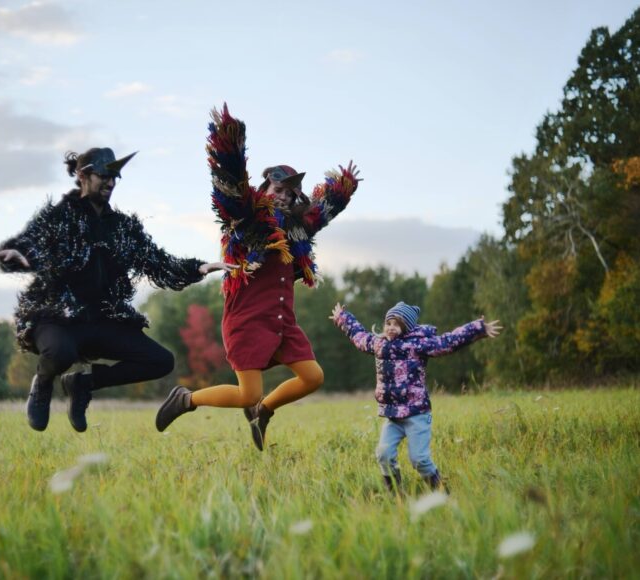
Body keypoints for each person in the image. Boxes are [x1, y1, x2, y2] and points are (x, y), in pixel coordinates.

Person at [155, 104, 361, 450]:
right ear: (265, 188)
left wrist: (344, 187)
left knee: (313, 377)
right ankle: (185, 399)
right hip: (248, 321)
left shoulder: (298, 227)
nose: (282, 195)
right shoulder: (248, 218)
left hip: (282, 322)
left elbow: (325, 209)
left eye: (289, 191)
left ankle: (263, 413)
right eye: (276, 188)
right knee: (247, 392)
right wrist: (229, 146)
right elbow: (232, 191)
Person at [0, 148, 233, 433]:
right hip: (57, 317)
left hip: (103, 320)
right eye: (103, 175)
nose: (110, 183)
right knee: (60, 353)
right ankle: (42, 383)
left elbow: (157, 261)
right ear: (82, 176)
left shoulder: (123, 228)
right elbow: (27, 245)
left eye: (114, 177)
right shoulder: (58, 217)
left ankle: (82, 384)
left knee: (160, 361)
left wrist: (200, 267)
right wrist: (15, 256)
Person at [330, 300, 502, 493]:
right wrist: (343, 318)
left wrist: (477, 329)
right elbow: (359, 336)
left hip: (417, 414)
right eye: (389, 323)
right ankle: (395, 494)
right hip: (393, 416)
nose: (391, 328)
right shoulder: (378, 344)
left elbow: (447, 342)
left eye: (397, 324)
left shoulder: (418, 345)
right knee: (383, 454)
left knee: (419, 459)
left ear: (406, 328)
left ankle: (441, 492)